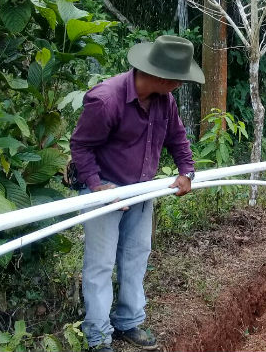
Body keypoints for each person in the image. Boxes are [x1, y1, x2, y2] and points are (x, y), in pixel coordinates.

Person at [70, 35, 205, 352]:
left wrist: (187, 172)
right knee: (100, 265)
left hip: (142, 190)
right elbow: (81, 146)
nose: (182, 85)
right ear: (160, 76)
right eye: (179, 79)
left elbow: (177, 138)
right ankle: (98, 336)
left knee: (135, 258)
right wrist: (98, 186)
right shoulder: (106, 100)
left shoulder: (164, 100)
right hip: (105, 191)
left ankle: (128, 321)